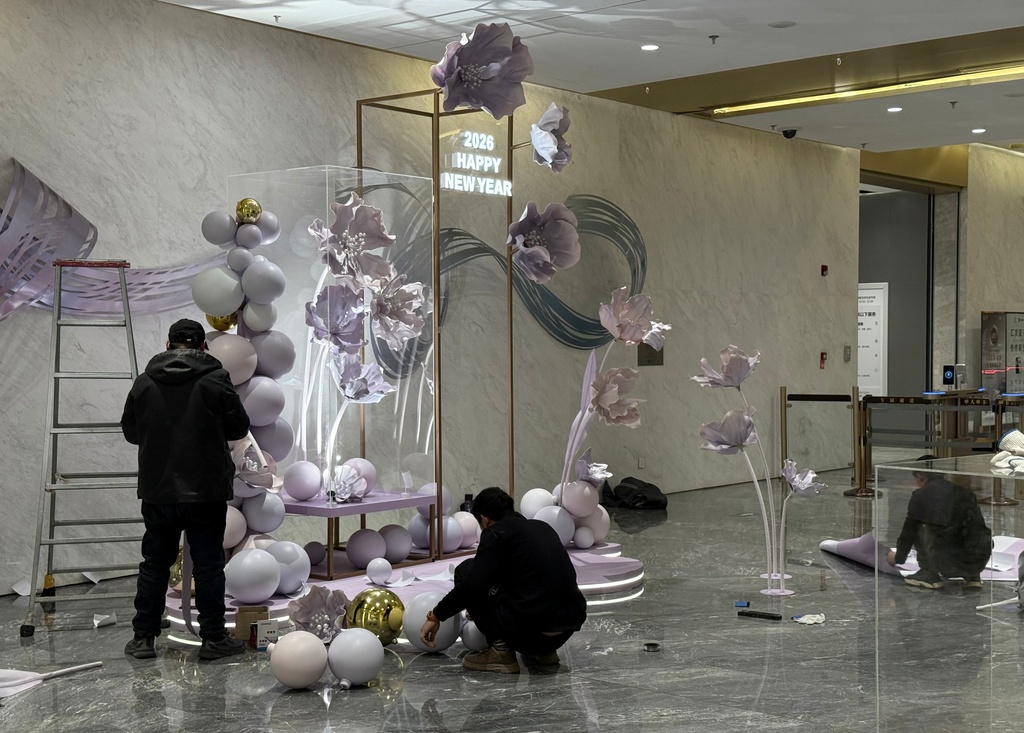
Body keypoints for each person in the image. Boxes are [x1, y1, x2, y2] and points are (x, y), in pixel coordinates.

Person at [120, 318, 251, 660]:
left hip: (158, 489)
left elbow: (131, 432)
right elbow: (239, 426)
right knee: (209, 565)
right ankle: (213, 639)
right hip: (205, 489)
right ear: (203, 346)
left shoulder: (145, 382)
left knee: (154, 564)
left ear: (168, 344)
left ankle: (144, 638)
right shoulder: (216, 379)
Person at [419, 487, 588, 674]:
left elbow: (471, 585)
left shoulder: (495, 533)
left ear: (484, 519)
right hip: (565, 629)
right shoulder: (542, 527)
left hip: (530, 633)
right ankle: (544, 653)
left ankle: (500, 651)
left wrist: (436, 615)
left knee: (465, 570)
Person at [886, 456, 992, 590]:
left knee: (920, 527)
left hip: (945, 561)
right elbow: (978, 526)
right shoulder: (966, 492)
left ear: (920, 476)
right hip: (977, 560)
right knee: (968, 526)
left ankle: (928, 573)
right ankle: (972, 576)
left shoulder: (921, 495)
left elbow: (909, 532)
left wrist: (898, 558)